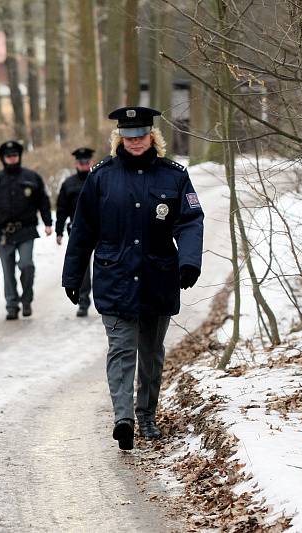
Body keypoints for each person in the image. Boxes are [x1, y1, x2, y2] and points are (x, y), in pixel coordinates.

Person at [61, 106, 204, 450]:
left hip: (158, 277)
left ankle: (147, 415)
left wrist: (189, 261)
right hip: (115, 277)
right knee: (121, 350)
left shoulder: (174, 176)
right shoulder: (101, 177)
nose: (135, 142)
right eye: (128, 136)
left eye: (141, 136)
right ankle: (123, 418)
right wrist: (72, 274)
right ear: (118, 139)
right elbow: (83, 230)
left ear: (152, 136)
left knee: (151, 353)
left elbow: (190, 220)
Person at [0, 140, 53, 320]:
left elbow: (43, 201)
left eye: (15, 156)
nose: (12, 159)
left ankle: (26, 299)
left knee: (26, 265)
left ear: (19, 156)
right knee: (8, 271)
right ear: (3, 158)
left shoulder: (32, 177)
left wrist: (48, 222)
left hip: (26, 230)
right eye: (8, 156)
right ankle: (12, 305)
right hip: (2, 232)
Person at [55, 147, 95, 317]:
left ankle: (106, 300)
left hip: (102, 230)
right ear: (76, 163)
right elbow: (61, 209)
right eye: (81, 162)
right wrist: (58, 231)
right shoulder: (68, 184)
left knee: (106, 265)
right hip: (79, 231)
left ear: (91, 162)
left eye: (86, 162)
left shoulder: (98, 179)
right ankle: (84, 302)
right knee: (83, 268)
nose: (84, 165)